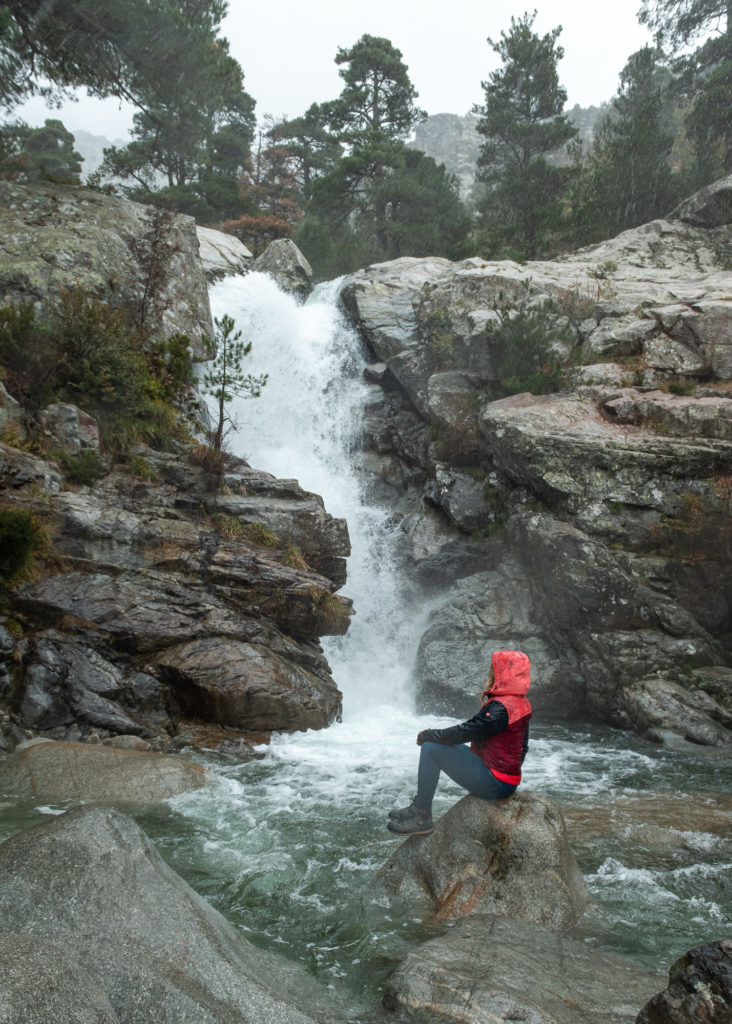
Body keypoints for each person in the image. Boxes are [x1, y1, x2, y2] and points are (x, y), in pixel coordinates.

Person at [387, 649, 532, 836]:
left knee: (431, 748)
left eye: (494, 667)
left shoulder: (501, 708)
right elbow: (524, 747)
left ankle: (422, 815)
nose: (491, 670)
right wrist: (508, 772)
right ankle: (419, 808)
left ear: (503, 672)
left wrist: (427, 735)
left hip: (495, 782)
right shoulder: (521, 703)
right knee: (440, 747)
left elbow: (464, 732)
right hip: (505, 780)